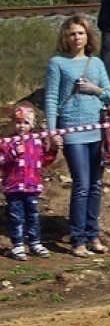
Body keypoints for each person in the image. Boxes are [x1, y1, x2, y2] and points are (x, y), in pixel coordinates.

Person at [45, 15, 110, 258]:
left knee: (96, 184)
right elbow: (52, 99)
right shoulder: (57, 63)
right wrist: (52, 132)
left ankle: (92, 233)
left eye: (81, 33)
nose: (77, 37)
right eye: (72, 33)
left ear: (88, 37)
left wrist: (95, 90)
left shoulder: (96, 64)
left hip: (96, 130)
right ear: (65, 37)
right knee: (82, 184)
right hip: (72, 130)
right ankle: (78, 239)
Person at [0, 105, 58, 261]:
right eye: (18, 122)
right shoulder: (7, 142)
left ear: (31, 125)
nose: (21, 126)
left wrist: (53, 150)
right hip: (13, 186)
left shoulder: (37, 141)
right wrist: (13, 153)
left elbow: (44, 160)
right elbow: (2, 162)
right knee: (16, 216)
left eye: (25, 123)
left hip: (32, 185)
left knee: (33, 215)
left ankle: (35, 242)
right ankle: (18, 245)